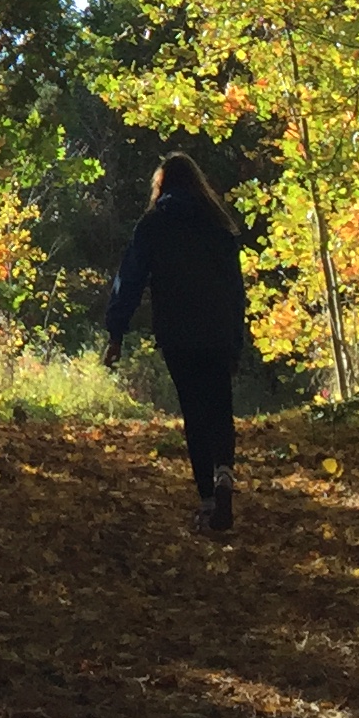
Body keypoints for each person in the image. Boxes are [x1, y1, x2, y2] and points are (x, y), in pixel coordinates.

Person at [104, 152, 248, 533]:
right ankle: (223, 479)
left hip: (179, 332)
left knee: (195, 413)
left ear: (162, 185)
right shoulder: (219, 225)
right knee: (220, 409)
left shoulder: (155, 224)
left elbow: (130, 278)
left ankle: (206, 502)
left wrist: (116, 331)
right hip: (217, 329)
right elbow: (236, 289)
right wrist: (236, 338)